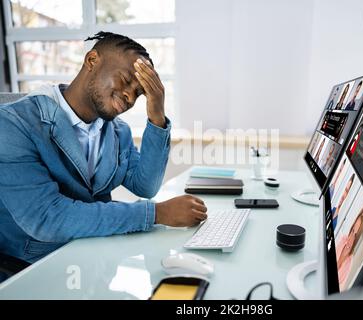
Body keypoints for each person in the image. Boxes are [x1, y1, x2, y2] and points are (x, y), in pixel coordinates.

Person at [0, 32, 208, 265]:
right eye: (125, 79)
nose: (130, 96)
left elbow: (145, 186)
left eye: (140, 93)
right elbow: (47, 218)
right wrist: (157, 213)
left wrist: (157, 114)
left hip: (97, 255)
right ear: (92, 60)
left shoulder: (118, 131)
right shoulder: (13, 123)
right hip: (34, 265)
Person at [335, 201, 363, 289]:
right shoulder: (341, 240)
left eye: (355, 235)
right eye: (352, 230)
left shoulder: (349, 262)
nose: (350, 239)